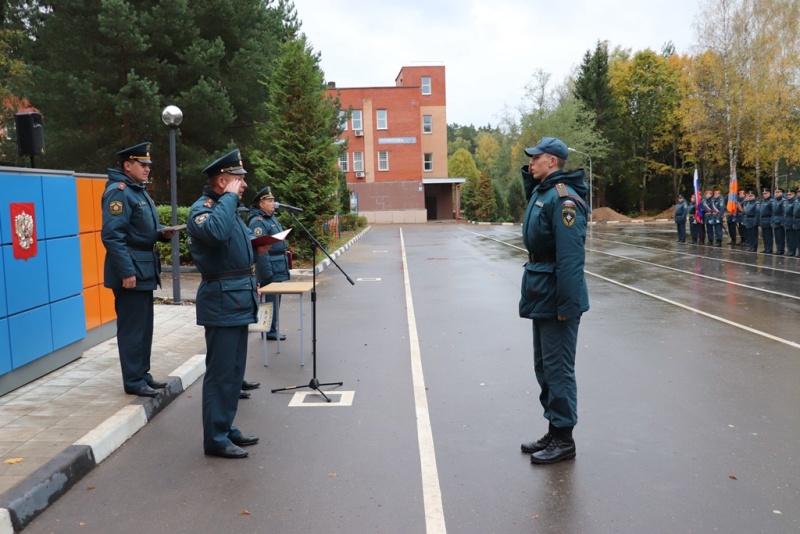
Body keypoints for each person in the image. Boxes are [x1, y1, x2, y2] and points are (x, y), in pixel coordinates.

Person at [187, 148, 271, 459]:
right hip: (221, 299)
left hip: (238, 295)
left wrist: (258, 250)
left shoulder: (228, 209)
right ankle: (215, 438)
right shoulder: (204, 210)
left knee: (234, 373)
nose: (244, 185)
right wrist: (228, 199)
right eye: (238, 180)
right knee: (220, 372)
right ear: (223, 181)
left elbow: (239, 244)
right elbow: (215, 233)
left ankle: (225, 425)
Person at [518, 137, 589, 465]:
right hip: (541, 291)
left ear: (553, 161)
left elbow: (571, 258)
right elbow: (531, 201)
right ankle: (553, 427)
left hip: (556, 296)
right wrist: (529, 176)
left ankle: (565, 439)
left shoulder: (565, 200)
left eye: (536, 158)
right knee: (544, 366)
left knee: (558, 368)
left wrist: (567, 305)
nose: (530, 163)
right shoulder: (543, 192)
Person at [101, 142, 174, 397]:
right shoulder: (119, 192)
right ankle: (133, 380)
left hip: (143, 268)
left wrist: (161, 233)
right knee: (132, 329)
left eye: (148, 165)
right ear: (127, 165)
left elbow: (138, 229)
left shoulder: (136, 191)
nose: (147, 169)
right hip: (131, 271)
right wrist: (126, 272)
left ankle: (142, 374)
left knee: (144, 327)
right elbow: (113, 236)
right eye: (142, 165)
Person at [247, 186, 290, 341]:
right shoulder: (257, 222)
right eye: (269, 201)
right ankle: (268, 330)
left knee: (275, 299)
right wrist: (266, 272)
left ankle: (272, 328)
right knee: (269, 300)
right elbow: (260, 248)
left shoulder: (271, 218)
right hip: (269, 266)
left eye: (273, 200)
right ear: (261, 204)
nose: (273, 203)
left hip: (277, 264)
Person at [759, 189, 773, 254]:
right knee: (764, 235)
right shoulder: (763, 201)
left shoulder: (771, 201)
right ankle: (766, 247)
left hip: (768, 218)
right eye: (763, 193)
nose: (764, 195)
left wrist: (771, 220)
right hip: (763, 219)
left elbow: (773, 212)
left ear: (769, 193)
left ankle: (769, 248)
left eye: (766, 193)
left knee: (768, 235)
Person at [771, 188, 785, 255]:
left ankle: (781, 250)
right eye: (776, 192)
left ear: (782, 193)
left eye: (778, 192)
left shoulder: (783, 201)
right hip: (775, 219)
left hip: (779, 219)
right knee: (776, 236)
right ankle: (778, 249)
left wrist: (782, 221)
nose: (776, 193)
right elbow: (773, 212)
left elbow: (784, 212)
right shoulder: (774, 201)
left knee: (780, 236)